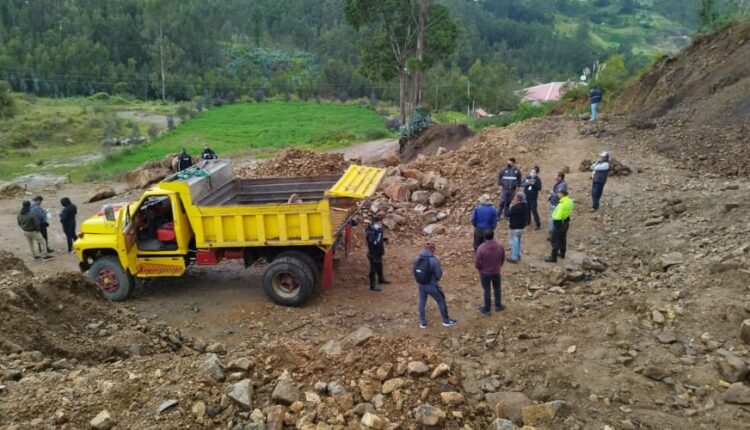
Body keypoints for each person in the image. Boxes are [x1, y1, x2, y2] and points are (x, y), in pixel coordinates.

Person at [413, 242, 457, 329]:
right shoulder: (434, 260)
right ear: (432, 249)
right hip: (432, 285)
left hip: (421, 285)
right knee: (441, 300)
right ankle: (446, 321)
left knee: (422, 302)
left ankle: (423, 323)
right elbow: (438, 274)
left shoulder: (417, 258)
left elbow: (414, 272)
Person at [474, 229, 506, 315]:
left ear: (484, 237)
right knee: (497, 288)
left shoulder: (481, 248)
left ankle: (487, 309)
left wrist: (480, 269)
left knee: (487, 290)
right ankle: (498, 305)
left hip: (485, 273)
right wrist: (499, 266)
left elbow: (477, 263)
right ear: (493, 235)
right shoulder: (499, 246)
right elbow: (503, 258)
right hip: (496, 271)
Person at [545, 190, 574, 262]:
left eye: (559, 193)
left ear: (562, 194)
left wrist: (553, 218)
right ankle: (562, 253)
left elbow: (557, 217)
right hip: (566, 222)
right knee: (563, 239)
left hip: (559, 223)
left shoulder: (561, 204)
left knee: (555, 240)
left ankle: (553, 257)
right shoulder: (569, 201)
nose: (557, 194)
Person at [365, 217, 390, 292]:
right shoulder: (371, 232)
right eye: (379, 223)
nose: (381, 225)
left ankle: (381, 278)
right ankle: (372, 285)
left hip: (378, 252)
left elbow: (378, 240)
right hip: (373, 253)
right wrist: (379, 234)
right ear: (375, 224)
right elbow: (375, 243)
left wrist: (384, 239)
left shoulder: (376, 231)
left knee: (380, 266)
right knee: (374, 268)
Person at [507, 192, 529, 263]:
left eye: (516, 197)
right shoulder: (525, 205)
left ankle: (514, 257)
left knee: (514, 242)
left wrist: (511, 206)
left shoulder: (515, 207)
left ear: (518, 198)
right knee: (519, 241)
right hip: (521, 227)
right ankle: (518, 255)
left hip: (514, 227)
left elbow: (508, 214)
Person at [547, 171, 568, 240]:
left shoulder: (562, 185)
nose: (554, 177)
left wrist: (552, 193)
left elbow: (559, 196)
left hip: (556, 204)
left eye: (556, 176)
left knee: (553, 219)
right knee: (553, 218)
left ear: (560, 177)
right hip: (554, 203)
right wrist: (550, 197)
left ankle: (552, 234)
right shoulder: (558, 183)